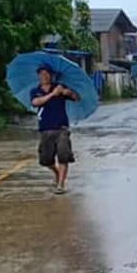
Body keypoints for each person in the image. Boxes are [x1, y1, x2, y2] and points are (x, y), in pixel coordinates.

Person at [30, 66, 80, 194]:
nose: (44, 76)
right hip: (45, 129)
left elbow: (76, 98)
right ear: (38, 76)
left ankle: (61, 184)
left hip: (61, 128)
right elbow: (35, 102)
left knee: (64, 155)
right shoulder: (35, 91)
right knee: (45, 160)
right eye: (41, 74)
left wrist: (67, 92)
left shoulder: (60, 87)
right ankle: (57, 172)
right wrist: (52, 94)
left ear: (51, 75)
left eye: (47, 74)